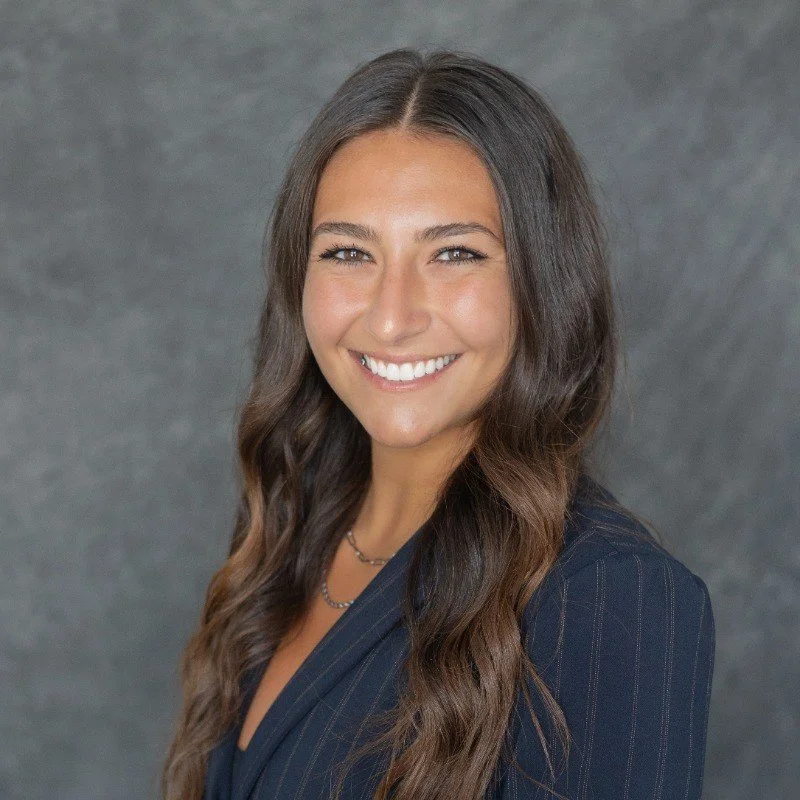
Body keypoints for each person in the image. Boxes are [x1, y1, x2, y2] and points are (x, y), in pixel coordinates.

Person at [161, 47, 715, 800]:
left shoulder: (612, 598)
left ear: (541, 283)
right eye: (350, 252)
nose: (391, 318)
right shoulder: (289, 529)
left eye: (454, 253)